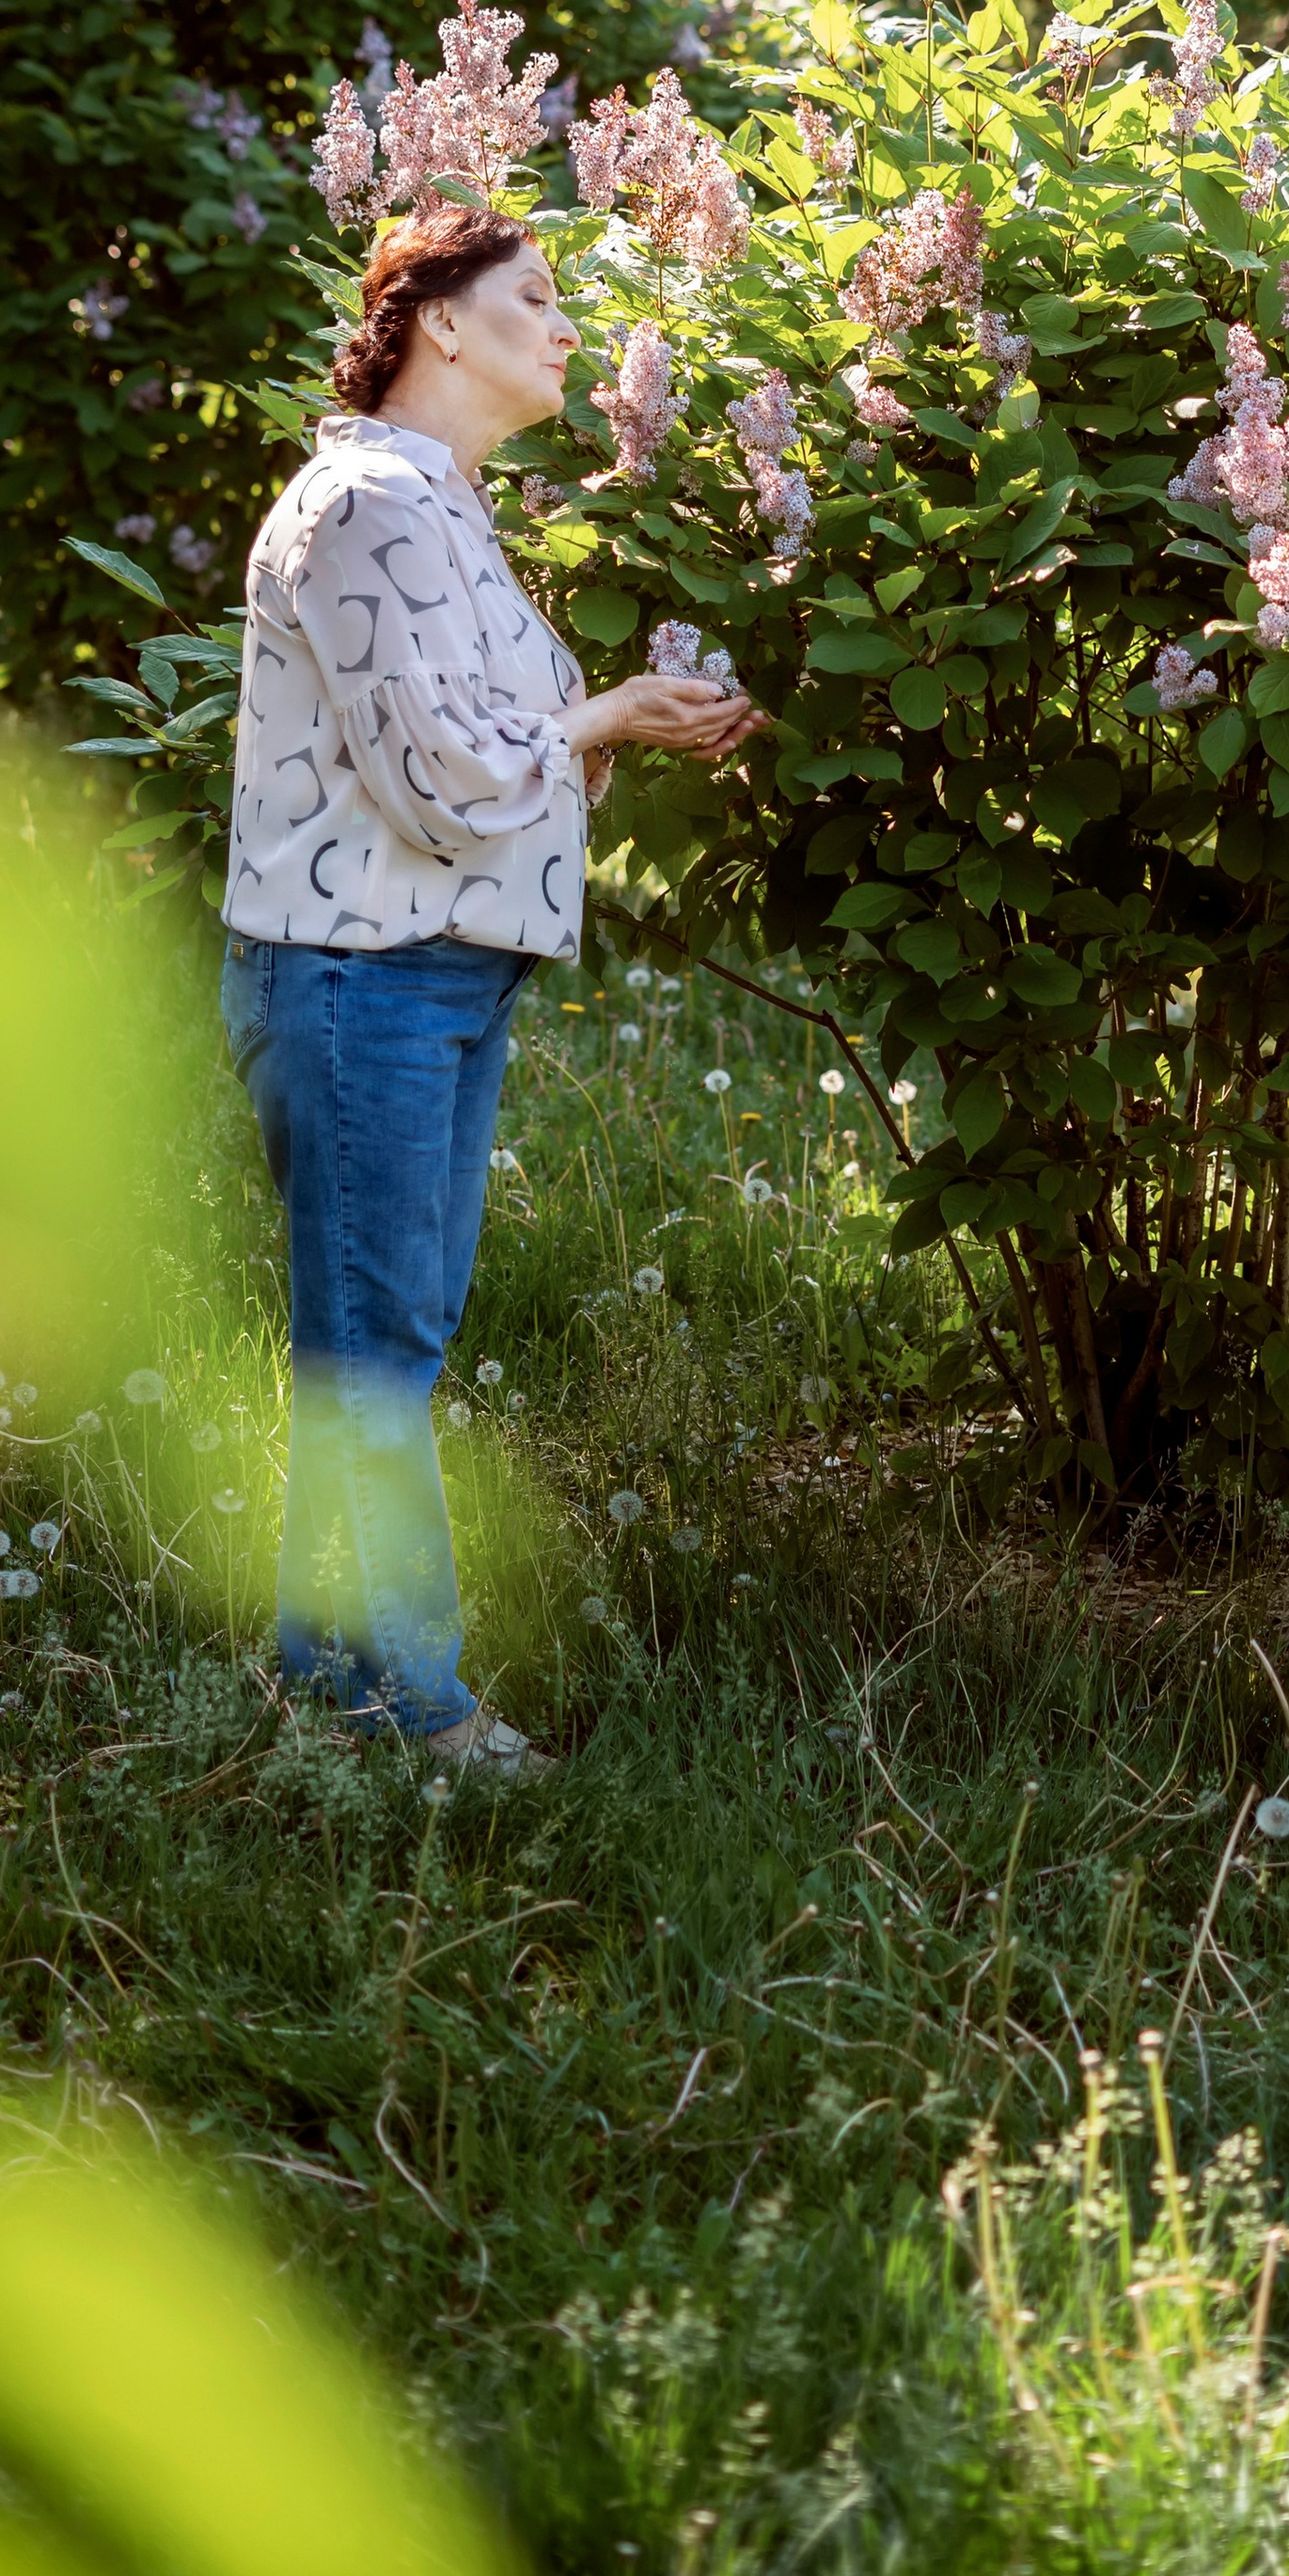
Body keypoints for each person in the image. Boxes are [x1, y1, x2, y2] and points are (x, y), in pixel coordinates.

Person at [220, 202, 759, 1774]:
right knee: (378, 1344)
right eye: (536, 298)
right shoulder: (369, 503)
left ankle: (332, 1684)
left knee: (384, 1337)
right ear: (439, 323)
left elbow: (473, 752)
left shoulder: (440, 505)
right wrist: (610, 725)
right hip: (362, 978)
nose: (569, 327)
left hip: (423, 977)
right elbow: (447, 777)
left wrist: (605, 723)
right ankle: (412, 1706)